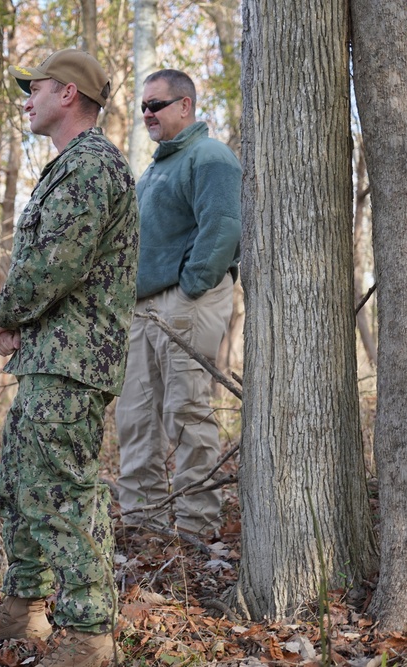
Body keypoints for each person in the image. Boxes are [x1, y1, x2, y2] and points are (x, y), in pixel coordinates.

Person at [0, 49, 138, 667]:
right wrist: (21, 328)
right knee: (20, 481)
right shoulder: (69, 166)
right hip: (51, 355)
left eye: (34, 89)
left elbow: (54, 263)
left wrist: (5, 315)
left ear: (68, 94)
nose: (25, 99)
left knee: (63, 488)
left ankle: (90, 633)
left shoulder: (90, 166)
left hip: (75, 360)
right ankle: (25, 605)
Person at [114, 69, 242, 535]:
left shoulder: (210, 156)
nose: (147, 113)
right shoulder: (154, 169)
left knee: (185, 412)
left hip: (188, 299)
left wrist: (189, 288)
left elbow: (224, 225)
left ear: (185, 106)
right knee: (134, 418)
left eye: (156, 104)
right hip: (143, 307)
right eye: (143, 106)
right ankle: (141, 527)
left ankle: (195, 528)